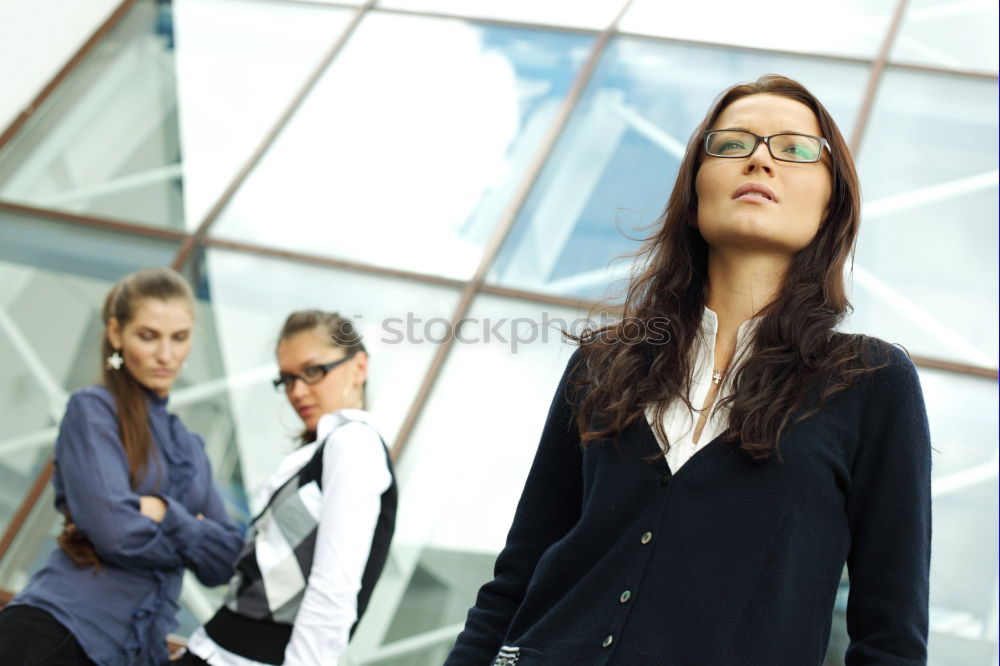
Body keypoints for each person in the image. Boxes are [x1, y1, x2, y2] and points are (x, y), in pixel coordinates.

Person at [445, 74, 932, 666]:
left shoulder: (871, 382)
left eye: (795, 148)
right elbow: (513, 582)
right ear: (696, 188)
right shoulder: (602, 364)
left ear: (832, 201)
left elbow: (891, 640)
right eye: (731, 144)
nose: (759, 159)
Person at [0, 267, 245, 665]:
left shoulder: (192, 449)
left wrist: (163, 511)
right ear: (116, 333)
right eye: (148, 336)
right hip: (57, 633)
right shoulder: (93, 412)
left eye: (178, 338)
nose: (165, 355)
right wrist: (194, 535)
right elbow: (115, 532)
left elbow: (225, 562)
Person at [177, 310, 397, 665]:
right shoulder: (321, 450)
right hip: (214, 648)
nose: (297, 391)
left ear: (359, 367)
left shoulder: (354, 443)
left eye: (313, 372)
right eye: (287, 379)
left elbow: (334, 587)